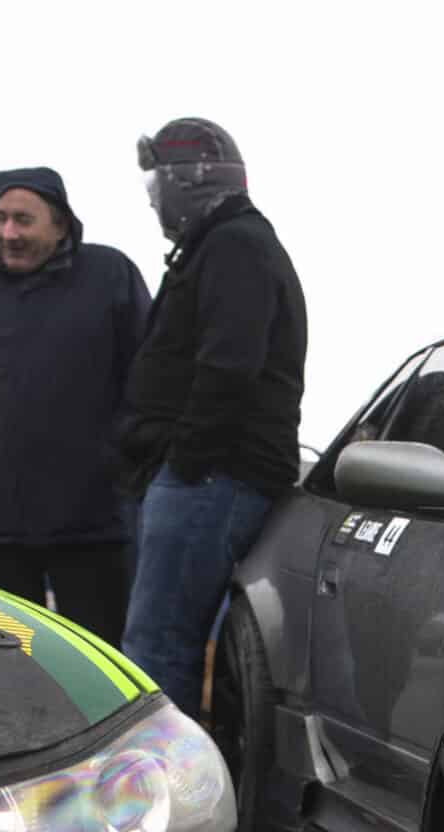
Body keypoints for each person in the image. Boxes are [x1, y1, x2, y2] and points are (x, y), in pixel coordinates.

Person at [0, 168, 150, 643]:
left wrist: (119, 459)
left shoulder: (110, 276)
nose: (8, 233)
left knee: (97, 665)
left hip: (94, 523)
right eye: (0, 219)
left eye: (23, 220)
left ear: (60, 224)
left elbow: (149, 376)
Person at [118, 117, 308, 715]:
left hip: (213, 479)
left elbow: (229, 367)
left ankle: (171, 797)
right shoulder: (223, 245)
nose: (154, 202)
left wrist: (186, 464)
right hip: (208, 477)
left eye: (158, 187)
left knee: (157, 648)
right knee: (164, 646)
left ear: (188, 182)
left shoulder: (235, 247)